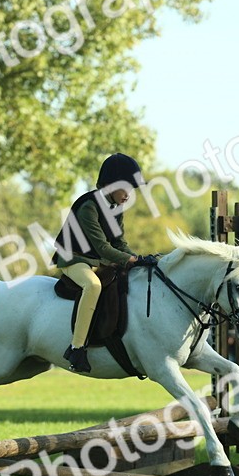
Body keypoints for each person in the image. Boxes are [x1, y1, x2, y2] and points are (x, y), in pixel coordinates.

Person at [51, 153, 154, 373]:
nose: (129, 194)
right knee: (93, 285)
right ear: (109, 185)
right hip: (73, 258)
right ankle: (77, 348)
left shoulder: (116, 207)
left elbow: (119, 242)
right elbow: (103, 247)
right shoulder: (89, 205)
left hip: (96, 261)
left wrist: (140, 259)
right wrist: (130, 260)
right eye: (125, 188)